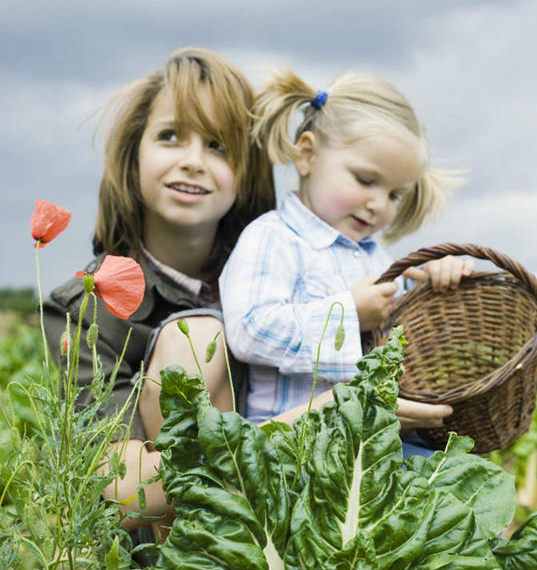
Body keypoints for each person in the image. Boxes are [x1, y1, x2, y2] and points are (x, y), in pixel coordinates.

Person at [44, 53, 455, 533]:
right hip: (182, 542)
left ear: (247, 165)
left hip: (309, 507)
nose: (193, 162)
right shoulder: (88, 306)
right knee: (198, 337)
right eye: (170, 136)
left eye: (218, 145)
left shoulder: (283, 269)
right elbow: (120, 493)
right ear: (134, 151)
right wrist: (315, 419)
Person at [219, 69, 472, 438]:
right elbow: (250, 329)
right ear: (307, 155)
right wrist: (347, 314)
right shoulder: (273, 239)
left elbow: (413, 342)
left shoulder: (379, 260)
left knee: (458, 478)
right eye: (366, 181)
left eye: (394, 195)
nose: (377, 204)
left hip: (369, 444)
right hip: (294, 451)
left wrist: (437, 286)